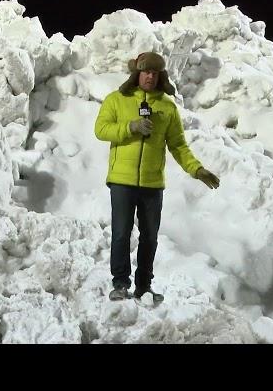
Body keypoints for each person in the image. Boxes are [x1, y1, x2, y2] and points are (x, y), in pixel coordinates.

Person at [94, 51, 220, 301]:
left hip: (152, 184)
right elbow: (101, 129)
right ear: (137, 73)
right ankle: (120, 284)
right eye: (145, 72)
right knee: (121, 233)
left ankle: (144, 286)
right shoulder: (117, 100)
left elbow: (178, 146)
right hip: (122, 180)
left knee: (149, 237)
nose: (149, 77)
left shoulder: (167, 107)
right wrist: (131, 127)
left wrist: (197, 169)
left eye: (154, 73)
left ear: (160, 75)